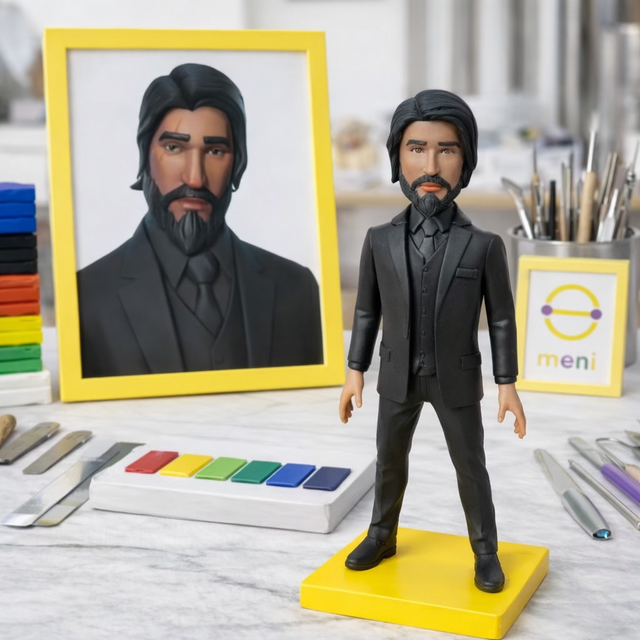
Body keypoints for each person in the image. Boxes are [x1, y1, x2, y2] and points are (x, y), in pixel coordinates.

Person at [338, 89, 526, 593]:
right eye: (417, 148)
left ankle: (485, 551)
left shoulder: (484, 246)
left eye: (447, 150)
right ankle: (381, 534)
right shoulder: (379, 240)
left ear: (466, 161)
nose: (431, 165)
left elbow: (502, 320)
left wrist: (507, 383)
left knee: (470, 466)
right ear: (397, 157)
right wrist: (354, 372)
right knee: (388, 461)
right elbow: (366, 311)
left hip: (455, 378)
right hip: (396, 374)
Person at [77, 63, 323, 378]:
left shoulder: (296, 289)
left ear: (237, 163)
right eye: (174, 147)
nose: (195, 178)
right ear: (145, 157)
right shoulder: (86, 296)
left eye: (215, 151)